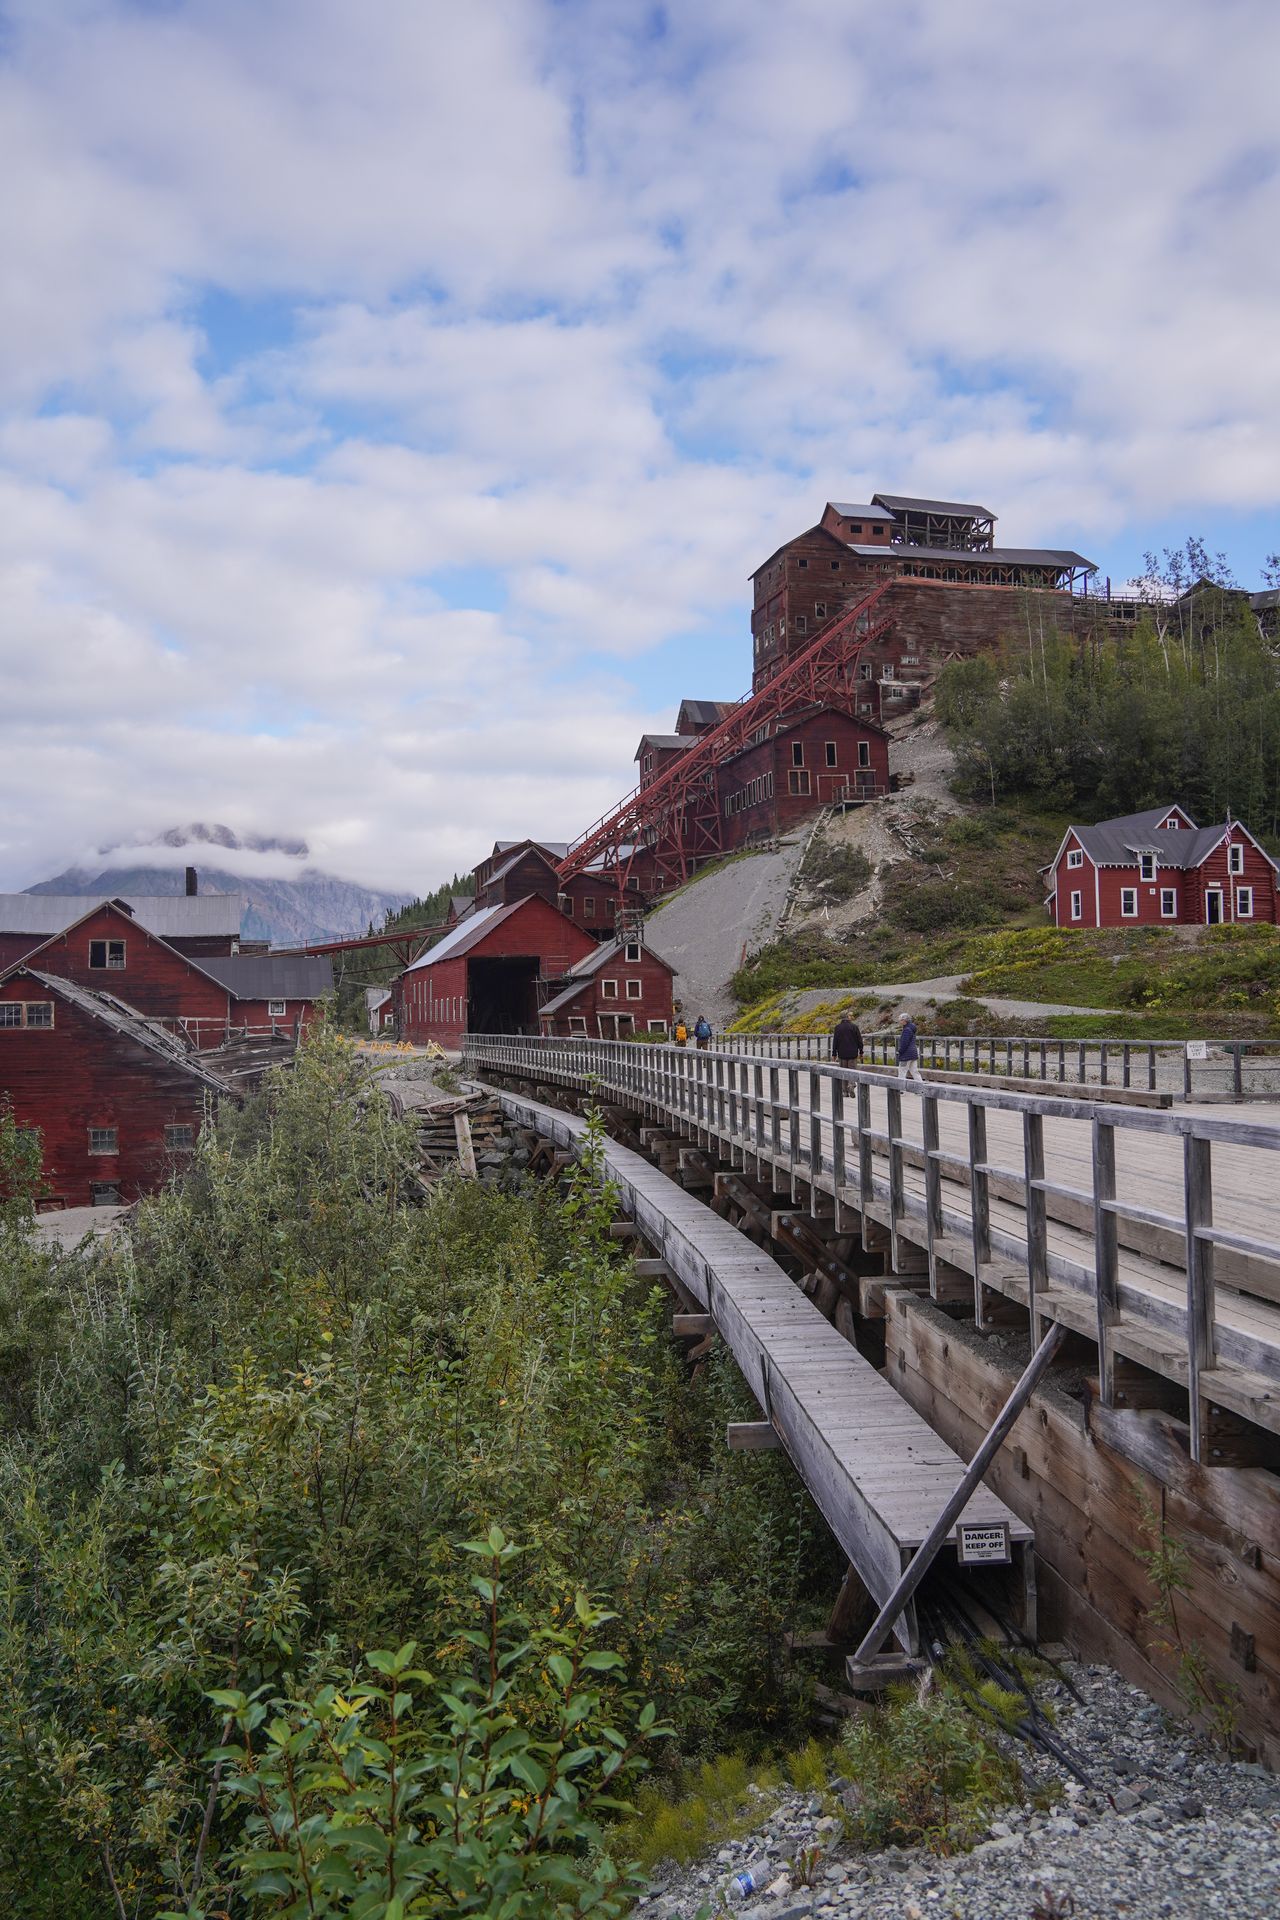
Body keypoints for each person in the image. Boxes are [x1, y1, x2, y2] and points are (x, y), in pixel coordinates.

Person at [897, 1012, 923, 1082]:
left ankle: (900, 1089)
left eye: (900, 1020)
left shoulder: (906, 1030)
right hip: (913, 1054)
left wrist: (900, 1051)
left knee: (902, 1072)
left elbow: (904, 1043)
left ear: (904, 1021)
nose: (899, 1021)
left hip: (906, 1055)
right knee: (915, 1072)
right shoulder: (911, 1028)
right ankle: (921, 1088)